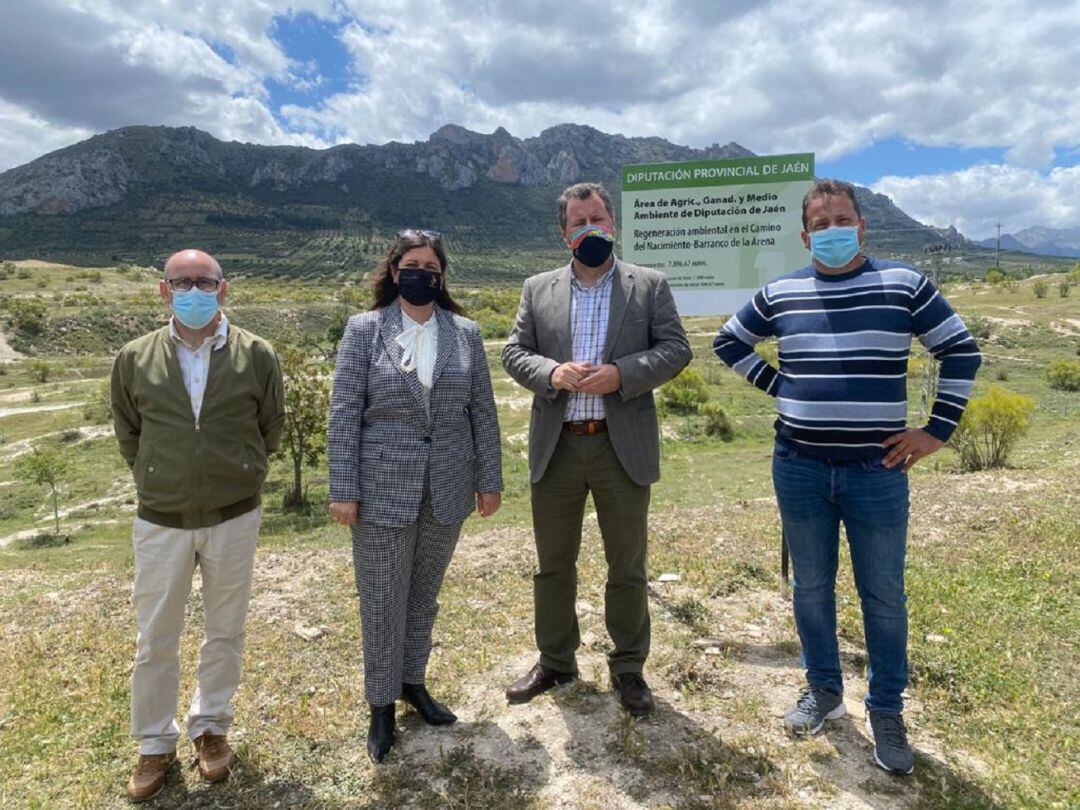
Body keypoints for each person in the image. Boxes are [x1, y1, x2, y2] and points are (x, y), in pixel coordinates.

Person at [713, 179, 982, 774]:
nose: (832, 229)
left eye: (842, 219)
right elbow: (728, 341)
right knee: (811, 588)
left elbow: (960, 352)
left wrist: (936, 431)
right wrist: (781, 387)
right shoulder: (782, 292)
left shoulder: (904, 284)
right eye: (821, 221)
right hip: (799, 467)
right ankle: (825, 691)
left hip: (876, 472)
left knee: (883, 596)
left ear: (862, 227)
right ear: (805, 234)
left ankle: (886, 709)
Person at [502, 182, 692, 717]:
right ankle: (556, 660)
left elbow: (677, 348)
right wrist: (552, 372)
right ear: (564, 235)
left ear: (615, 224)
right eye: (579, 222)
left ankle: (628, 666)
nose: (592, 229)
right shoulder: (537, 289)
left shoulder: (648, 285)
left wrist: (622, 375)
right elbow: (515, 353)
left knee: (626, 565)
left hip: (620, 447)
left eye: (599, 219)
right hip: (557, 447)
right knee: (553, 565)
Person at [110, 249, 284, 802]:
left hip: (234, 515)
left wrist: (239, 471)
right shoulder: (134, 358)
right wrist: (159, 475)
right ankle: (154, 743)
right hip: (162, 519)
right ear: (164, 291)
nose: (192, 290)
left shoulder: (257, 354)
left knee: (225, 628)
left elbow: (269, 427)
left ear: (222, 289)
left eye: (203, 281)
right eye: (181, 281)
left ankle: (211, 728)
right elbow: (129, 433)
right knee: (155, 635)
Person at [328, 229, 503, 763]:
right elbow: (343, 415)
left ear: (441, 275)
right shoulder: (365, 330)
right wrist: (343, 489)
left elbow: (482, 410)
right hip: (381, 489)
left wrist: (489, 478)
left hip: (447, 487)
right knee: (382, 600)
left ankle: (412, 682)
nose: (420, 272)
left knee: (423, 595)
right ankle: (380, 705)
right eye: (411, 263)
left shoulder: (465, 333)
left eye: (430, 265)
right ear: (395, 270)